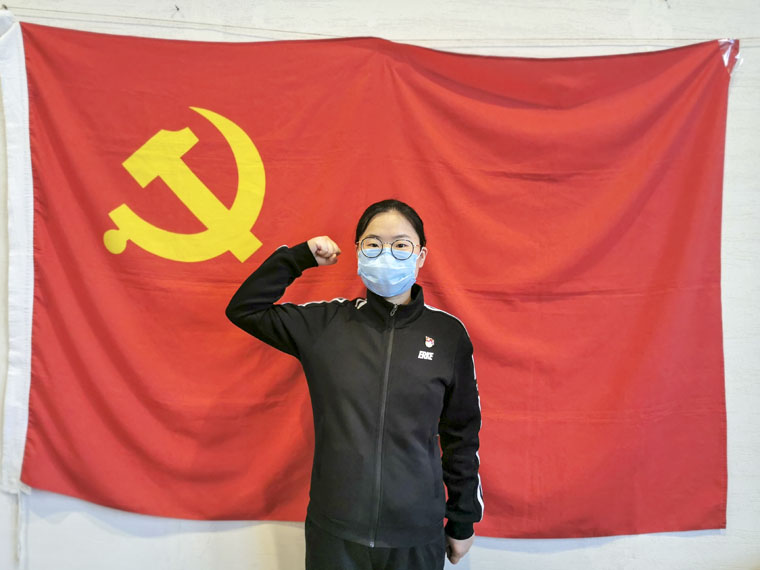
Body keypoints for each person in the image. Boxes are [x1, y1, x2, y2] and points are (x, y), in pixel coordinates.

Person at [226, 199, 483, 569]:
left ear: (421, 256)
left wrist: (462, 519)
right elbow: (245, 309)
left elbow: (462, 434)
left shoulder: (447, 334)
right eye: (373, 243)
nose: (386, 253)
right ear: (359, 251)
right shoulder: (326, 325)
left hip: (416, 533)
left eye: (401, 244)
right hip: (336, 531)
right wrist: (299, 258)